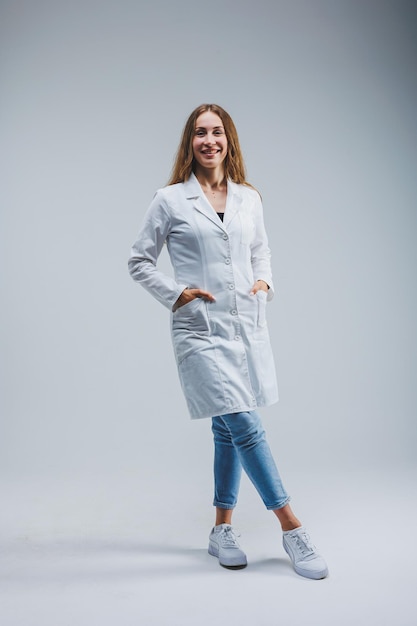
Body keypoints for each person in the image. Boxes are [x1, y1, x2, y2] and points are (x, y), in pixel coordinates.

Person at [128, 104, 328, 579]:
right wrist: (177, 293)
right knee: (245, 423)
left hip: (244, 328)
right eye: (200, 133)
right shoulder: (170, 200)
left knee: (226, 428)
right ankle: (291, 526)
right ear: (189, 142)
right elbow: (139, 260)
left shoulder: (248, 198)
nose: (209, 140)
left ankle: (221, 529)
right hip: (201, 331)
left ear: (229, 140)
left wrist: (265, 284)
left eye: (217, 132)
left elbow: (262, 251)